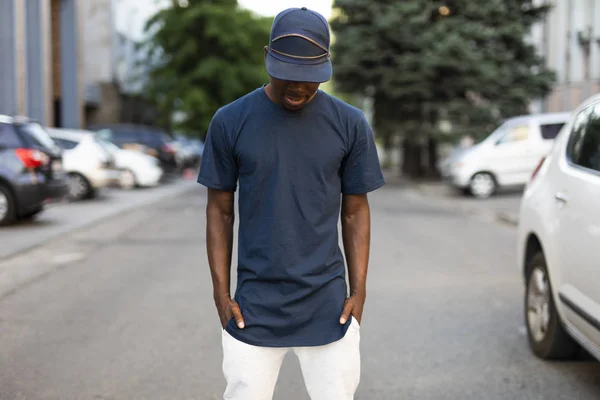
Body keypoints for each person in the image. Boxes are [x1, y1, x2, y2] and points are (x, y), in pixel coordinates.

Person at [197, 7, 385, 400]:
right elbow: (220, 209)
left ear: (326, 66)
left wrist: (360, 291)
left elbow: (354, 211)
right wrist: (220, 292)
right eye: (288, 76)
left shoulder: (349, 124)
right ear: (268, 58)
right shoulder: (230, 121)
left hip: (329, 305)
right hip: (253, 306)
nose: (298, 88)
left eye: (310, 78)